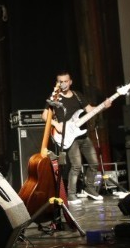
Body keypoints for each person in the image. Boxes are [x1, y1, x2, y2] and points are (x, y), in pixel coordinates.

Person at [42, 70, 111, 204]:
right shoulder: (55, 97)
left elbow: (90, 110)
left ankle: (89, 188)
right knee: (76, 166)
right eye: (60, 81)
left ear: (70, 82)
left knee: (94, 163)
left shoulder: (78, 96)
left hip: (82, 134)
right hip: (68, 136)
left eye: (66, 81)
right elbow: (44, 116)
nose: (63, 84)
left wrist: (104, 106)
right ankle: (71, 194)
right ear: (57, 83)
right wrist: (56, 124)